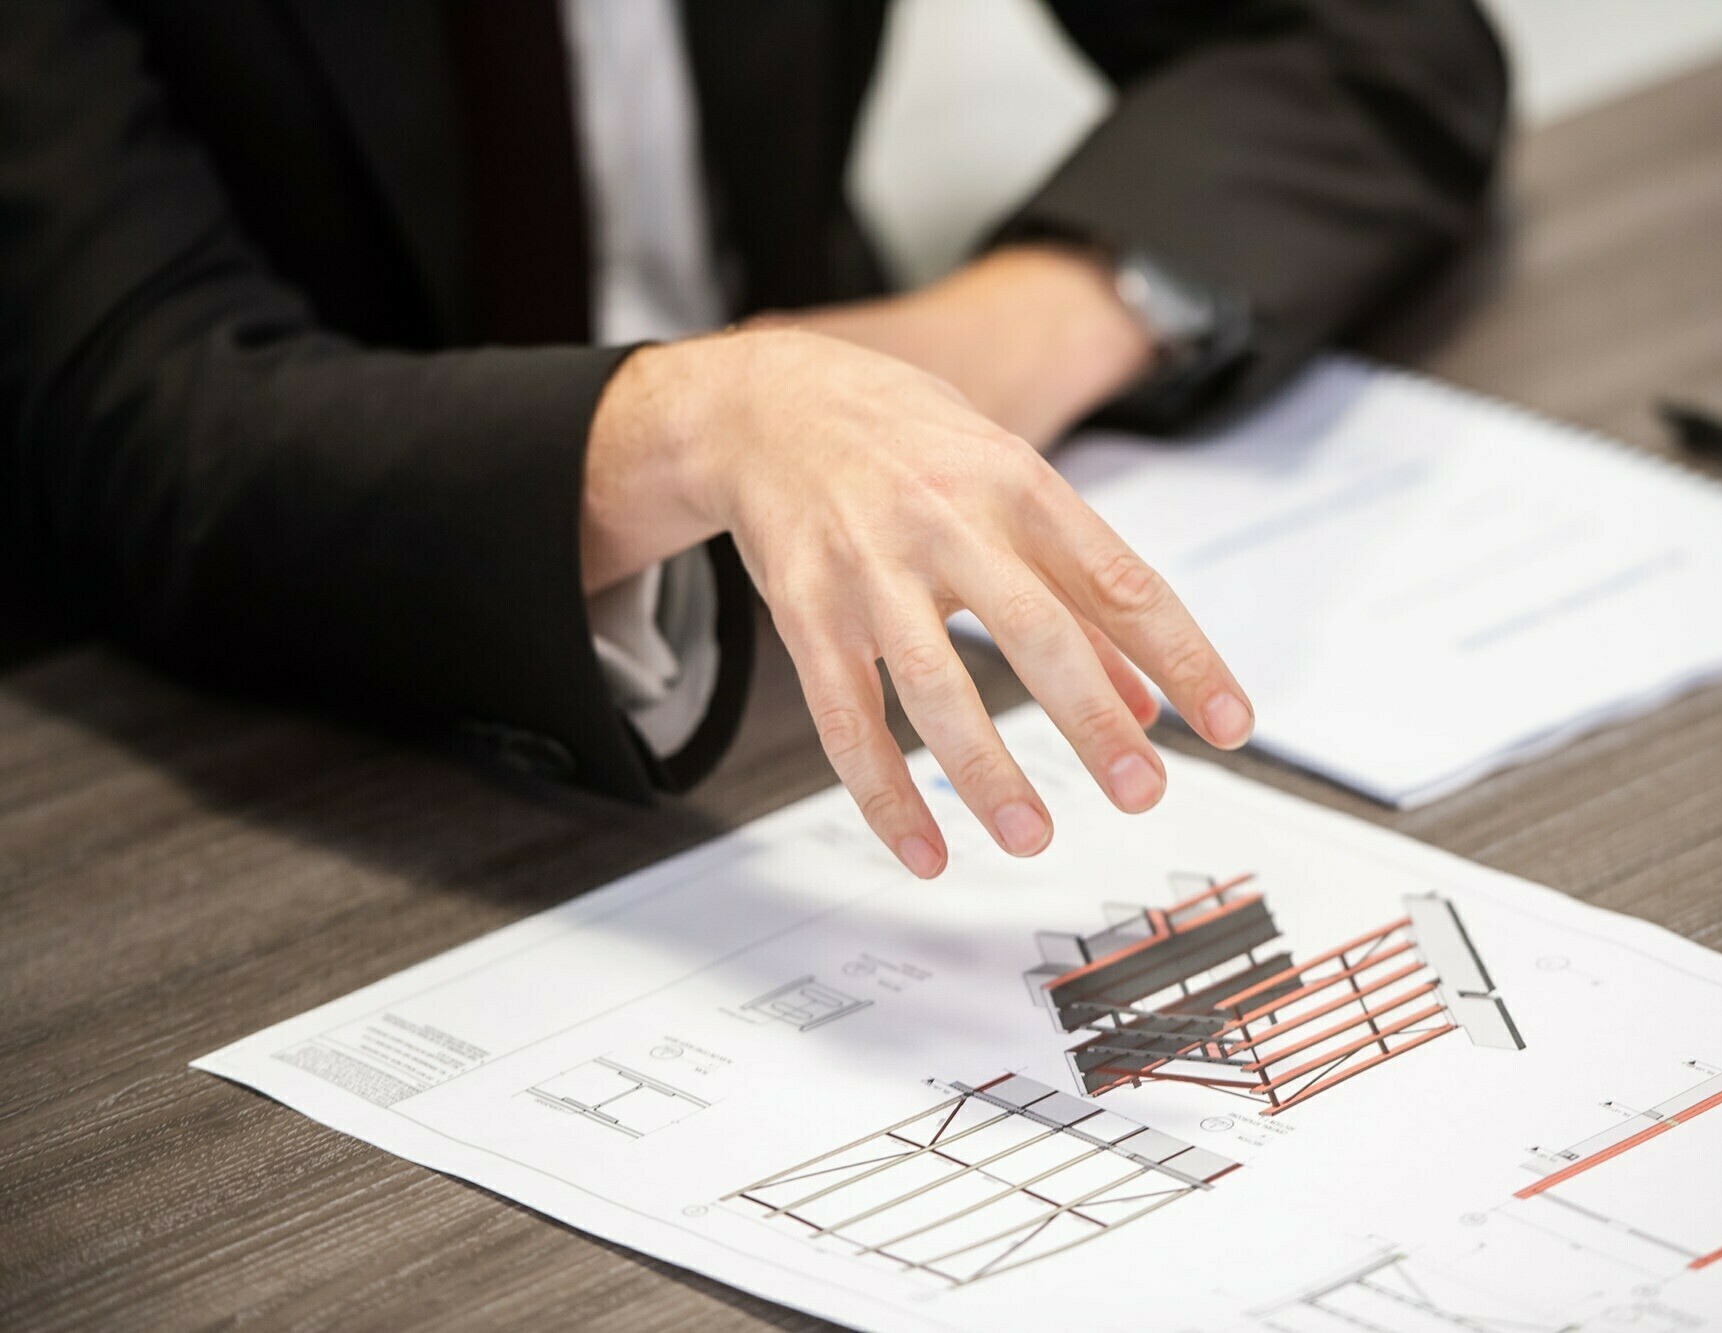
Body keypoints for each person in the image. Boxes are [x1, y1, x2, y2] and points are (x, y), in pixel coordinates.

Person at [0, 1, 1509, 876]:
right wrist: (688, 416)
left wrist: (1023, 322)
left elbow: (1379, 37)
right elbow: (143, 408)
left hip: (815, 599)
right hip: (247, 740)